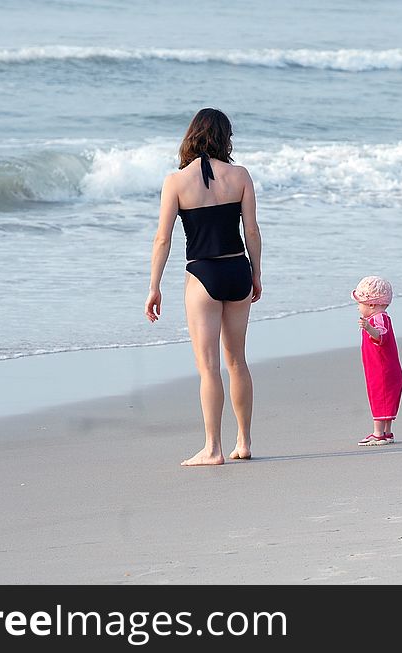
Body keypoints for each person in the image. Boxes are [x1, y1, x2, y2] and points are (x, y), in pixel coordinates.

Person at [145, 108, 262, 466]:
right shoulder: (240, 175)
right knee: (237, 361)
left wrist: (154, 286)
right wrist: (256, 273)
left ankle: (213, 448)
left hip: (202, 275)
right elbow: (252, 231)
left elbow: (163, 238)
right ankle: (243, 441)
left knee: (209, 367)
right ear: (225, 138)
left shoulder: (177, 181)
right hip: (237, 269)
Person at [353, 276, 402, 446]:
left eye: (360, 304)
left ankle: (378, 433)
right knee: (386, 397)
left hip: (381, 369)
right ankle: (387, 432)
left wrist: (369, 328)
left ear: (372, 304)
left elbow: (380, 336)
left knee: (380, 396)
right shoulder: (380, 318)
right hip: (383, 367)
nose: (358, 308)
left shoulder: (378, 319)